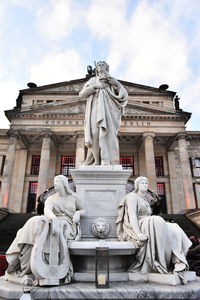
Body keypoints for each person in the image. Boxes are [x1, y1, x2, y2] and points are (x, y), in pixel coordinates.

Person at [6, 175, 85, 284]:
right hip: (53, 220)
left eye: (57, 182)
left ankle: (47, 267)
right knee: (34, 221)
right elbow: (47, 210)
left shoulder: (74, 197)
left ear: (64, 184)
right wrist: (54, 218)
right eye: (55, 182)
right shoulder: (51, 199)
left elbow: (84, 210)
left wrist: (78, 213)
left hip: (68, 225)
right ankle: (24, 259)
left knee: (52, 230)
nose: (55, 185)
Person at [116, 176, 192, 275]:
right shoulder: (131, 197)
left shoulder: (145, 199)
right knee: (157, 220)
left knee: (174, 227)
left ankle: (177, 260)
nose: (145, 185)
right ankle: (160, 262)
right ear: (137, 185)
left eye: (146, 183)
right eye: (142, 183)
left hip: (148, 221)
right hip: (139, 224)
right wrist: (138, 233)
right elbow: (132, 216)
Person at [79, 61, 128, 165]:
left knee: (107, 134)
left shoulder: (111, 81)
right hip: (95, 109)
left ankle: (106, 160)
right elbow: (82, 95)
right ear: (96, 69)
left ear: (107, 68)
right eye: (99, 65)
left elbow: (123, 94)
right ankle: (96, 161)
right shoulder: (92, 80)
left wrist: (115, 83)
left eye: (103, 64)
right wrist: (95, 86)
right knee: (94, 134)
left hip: (109, 111)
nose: (100, 66)